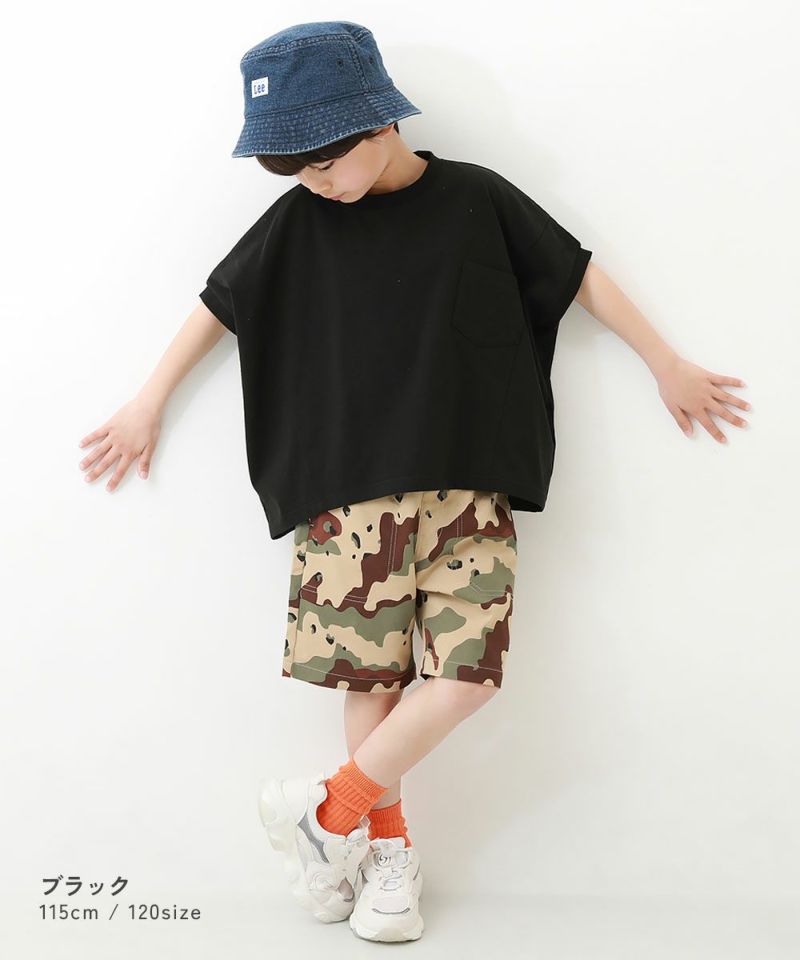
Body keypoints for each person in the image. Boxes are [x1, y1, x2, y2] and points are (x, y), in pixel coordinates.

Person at [78, 20, 750, 943]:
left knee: (469, 678)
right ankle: (383, 857)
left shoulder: (476, 198)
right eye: (291, 170)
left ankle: (326, 815)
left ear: (382, 122)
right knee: (372, 678)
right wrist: (147, 402)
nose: (313, 182)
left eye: (323, 161)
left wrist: (665, 362)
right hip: (346, 492)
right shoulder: (299, 222)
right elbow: (218, 303)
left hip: (470, 483)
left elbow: (578, 273)